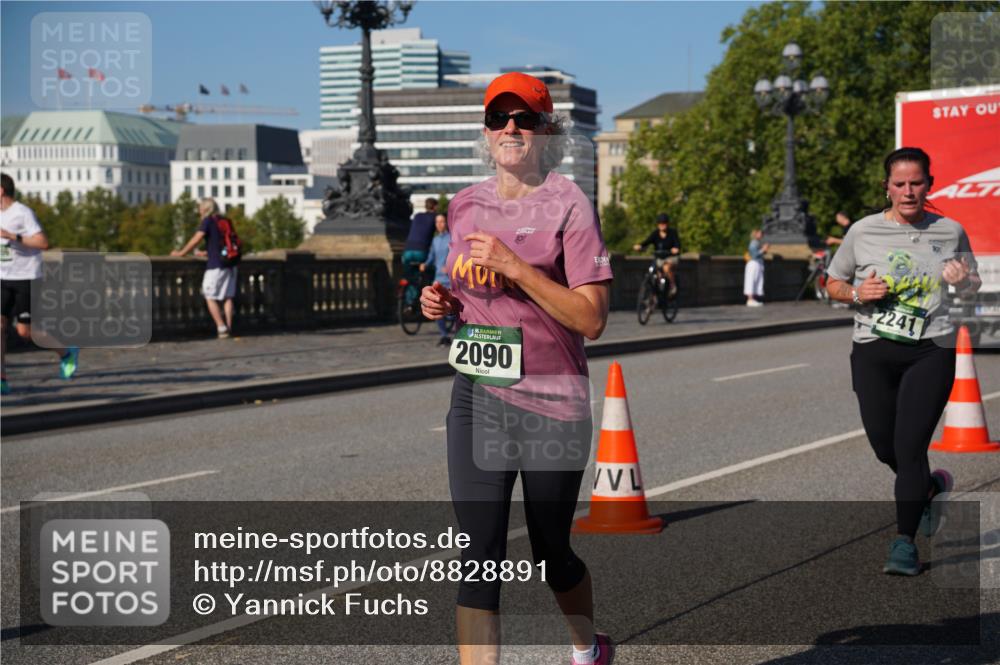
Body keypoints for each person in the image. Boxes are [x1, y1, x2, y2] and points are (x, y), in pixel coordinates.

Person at [420, 71, 614, 665]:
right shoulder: (465, 204)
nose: (511, 128)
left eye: (524, 118)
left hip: (553, 401)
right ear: (486, 131)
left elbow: (591, 319)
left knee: (552, 552)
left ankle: (587, 647)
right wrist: (443, 301)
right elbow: (467, 287)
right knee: (478, 557)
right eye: (498, 118)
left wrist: (517, 267)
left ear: (545, 131)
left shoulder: (569, 203)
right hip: (478, 394)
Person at [825, 147, 980, 576]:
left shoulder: (950, 231)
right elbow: (832, 282)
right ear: (887, 187)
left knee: (910, 447)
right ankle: (928, 488)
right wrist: (857, 293)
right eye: (900, 184)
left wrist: (963, 281)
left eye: (916, 183)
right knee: (885, 446)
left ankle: (904, 543)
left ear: (929, 185)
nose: (908, 191)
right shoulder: (863, 231)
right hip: (873, 350)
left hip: (931, 350)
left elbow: (972, 285)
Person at [0, 173, 79, 395]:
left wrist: (13, 236)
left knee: (26, 332)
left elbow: (43, 242)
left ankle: (67, 353)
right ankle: (2, 379)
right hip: (3, 277)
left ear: (1, 190)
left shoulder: (23, 213)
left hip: (26, 277)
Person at [171, 198, 237, 339]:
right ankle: (230, 327)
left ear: (206, 209)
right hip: (230, 264)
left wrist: (182, 252)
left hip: (216, 266)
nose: (199, 211)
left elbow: (197, 238)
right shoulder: (225, 220)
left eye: (200, 208)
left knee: (209, 296)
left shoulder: (208, 221)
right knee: (228, 297)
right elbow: (223, 244)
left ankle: (221, 327)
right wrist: (207, 252)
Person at [419, 213, 453, 347]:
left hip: (451, 279)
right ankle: (444, 336)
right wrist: (425, 264)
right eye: (437, 222)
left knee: (452, 310)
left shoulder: (452, 238)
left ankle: (456, 333)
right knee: (437, 307)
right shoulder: (435, 240)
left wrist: (449, 266)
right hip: (438, 279)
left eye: (442, 221)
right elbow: (431, 256)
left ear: (447, 223)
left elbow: (457, 255)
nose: (439, 224)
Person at [633, 213, 680, 297]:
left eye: (664, 223)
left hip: (670, 257)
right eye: (660, 223)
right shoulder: (655, 233)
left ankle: (672, 285)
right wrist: (640, 246)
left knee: (666, 267)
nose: (662, 225)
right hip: (659, 258)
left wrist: (675, 249)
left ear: (667, 224)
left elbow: (677, 244)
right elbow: (647, 241)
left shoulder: (672, 232)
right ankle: (655, 293)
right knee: (655, 271)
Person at [403, 197, 439, 280]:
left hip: (408, 250)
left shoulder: (417, 215)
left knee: (409, 277)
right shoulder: (435, 217)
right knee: (430, 270)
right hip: (421, 250)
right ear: (435, 207)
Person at [743, 228, 769, 306]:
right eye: (760, 233)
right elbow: (754, 255)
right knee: (751, 280)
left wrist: (764, 250)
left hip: (757, 264)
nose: (761, 235)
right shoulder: (754, 243)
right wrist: (763, 249)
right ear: (756, 234)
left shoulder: (757, 242)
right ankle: (750, 299)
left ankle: (752, 299)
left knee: (755, 281)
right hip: (753, 263)